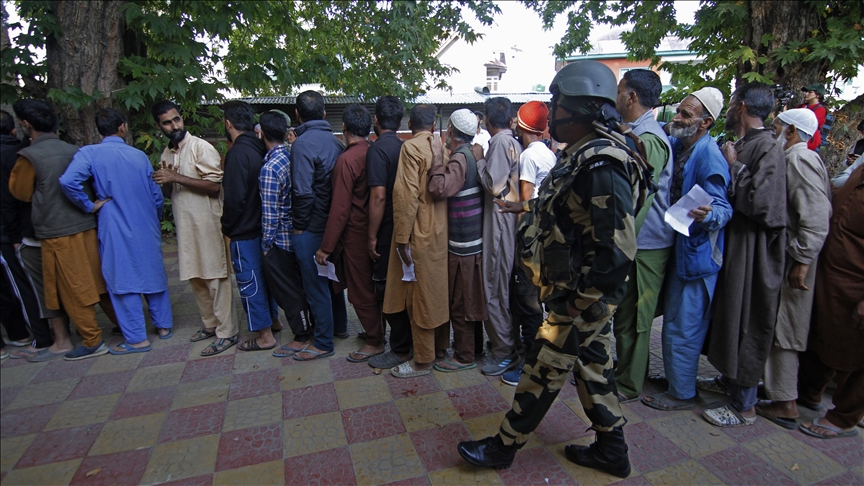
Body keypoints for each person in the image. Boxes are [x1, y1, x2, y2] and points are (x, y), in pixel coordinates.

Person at [457, 60, 648, 478]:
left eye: (558, 102)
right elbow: (562, 210)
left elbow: (616, 252)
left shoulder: (603, 165)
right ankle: (612, 451)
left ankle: (503, 447)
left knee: (543, 367)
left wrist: (578, 305)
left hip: (582, 297)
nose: (552, 111)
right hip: (578, 292)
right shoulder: (583, 156)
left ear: (580, 109)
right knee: (593, 367)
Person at [640, 87, 733, 411]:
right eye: (678, 112)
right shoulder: (681, 144)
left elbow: (723, 207)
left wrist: (710, 215)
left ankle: (682, 394)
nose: (677, 118)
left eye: (685, 115)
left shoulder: (709, 155)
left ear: (706, 122)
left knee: (684, 327)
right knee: (672, 322)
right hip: (677, 248)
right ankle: (675, 381)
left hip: (696, 258)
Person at [701, 82, 788, 427]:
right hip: (736, 248)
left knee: (748, 319)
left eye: (733, 102)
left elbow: (765, 204)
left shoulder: (768, 147)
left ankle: (745, 406)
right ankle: (729, 381)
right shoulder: (744, 143)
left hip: (755, 256)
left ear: (740, 107)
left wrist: (735, 167)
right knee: (730, 317)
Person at [9, 99, 119, 360]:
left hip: (56, 230)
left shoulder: (29, 156)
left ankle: (92, 340)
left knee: (72, 287)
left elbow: (20, 192)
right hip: (87, 224)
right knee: (99, 281)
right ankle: (125, 325)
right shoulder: (74, 149)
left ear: (26, 124)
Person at [59, 107, 172, 354]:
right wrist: (153, 217)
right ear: (123, 127)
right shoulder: (138, 155)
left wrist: (90, 205)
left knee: (123, 278)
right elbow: (156, 195)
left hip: (114, 222)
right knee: (151, 269)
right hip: (145, 221)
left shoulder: (89, 153)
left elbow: (68, 181)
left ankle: (137, 338)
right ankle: (163, 326)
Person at [752, 108, 831, 428]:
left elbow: (815, 216)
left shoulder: (799, 159)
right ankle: (778, 391)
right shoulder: (800, 157)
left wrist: (801, 261)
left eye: (777, 129)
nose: (773, 136)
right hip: (795, 255)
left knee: (785, 327)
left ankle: (785, 403)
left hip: (798, 259)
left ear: (793, 133)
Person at [151, 100, 238, 356]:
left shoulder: (201, 147)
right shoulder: (167, 153)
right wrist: (167, 180)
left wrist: (175, 177)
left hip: (207, 223)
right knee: (196, 277)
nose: (174, 125)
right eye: (167, 122)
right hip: (186, 225)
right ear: (159, 126)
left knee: (215, 277)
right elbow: (170, 190)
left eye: (176, 119)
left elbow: (214, 186)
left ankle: (228, 332)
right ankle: (210, 326)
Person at [609, 69, 675, 401]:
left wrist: (621, 244)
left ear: (631, 97)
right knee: (626, 314)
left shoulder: (649, 139)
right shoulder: (638, 133)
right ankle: (626, 372)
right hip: (640, 242)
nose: (616, 97)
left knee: (636, 317)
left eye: (619, 91)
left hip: (645, 244)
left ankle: (629, 384)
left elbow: (640, 201)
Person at [796, 162, 863, 439]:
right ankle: (808, 394)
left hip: (857, 285)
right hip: (831, 277)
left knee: (858, 356)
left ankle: (844, 418)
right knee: (820, 338)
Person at [382, 104, 448, 378]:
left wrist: (401, 238)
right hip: (440, 231)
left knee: (418, 298)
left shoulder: (410, 148)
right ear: (433, 125)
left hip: (417, 232)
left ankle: (422, 359)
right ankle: (441, 349)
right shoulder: (441, 148)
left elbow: (406, 196)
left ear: (410, 123)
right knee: (435, 293)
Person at [315, 104, 386, 363]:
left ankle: (375, 340)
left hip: (355, 233)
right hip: (374, 230)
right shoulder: (372, 151)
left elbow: (340, 209)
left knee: (360, 288)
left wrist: (326, 247)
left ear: (344, 128)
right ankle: (375, 331)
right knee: (370, 286)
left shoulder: (346, 160)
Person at [426, 108, 487, 372]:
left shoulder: (459, 158)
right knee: (470, 299)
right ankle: (475, 348)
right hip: (472, 243)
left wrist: (438, 159)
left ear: (450, 131)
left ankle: (464, 356)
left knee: (461, 303)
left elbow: (439, 188)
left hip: (464, 247)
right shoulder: (470, 155)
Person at [290, 90, 348, 361]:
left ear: (297, 114)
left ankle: (323, 342)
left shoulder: (302, 144)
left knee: (315, 285)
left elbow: (302, 193)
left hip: (312, 226)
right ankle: (339, 327)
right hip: (334, 224)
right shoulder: (336, 142)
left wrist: (299, 227)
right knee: (330, 277)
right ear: (324, 114)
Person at [501, 100, 556, 386]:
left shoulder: (528, 158)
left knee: (527, 305)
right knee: (537, 303)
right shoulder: (548, 154)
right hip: (548, 240)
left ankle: (529, 367)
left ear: (520, 125)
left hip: (530, 242)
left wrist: (511, 206)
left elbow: (527, 204)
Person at [220, 100, 280, 352]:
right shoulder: (259, 148)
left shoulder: (237, 153)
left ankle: (265, 336)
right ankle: (273, 320)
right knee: (265, 280)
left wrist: (226, 225)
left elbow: (234, 199)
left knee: (249, 282)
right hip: (264, 231)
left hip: (244, 233)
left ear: (228, 124)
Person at [258, 111, 312, 359]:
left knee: (288, 292)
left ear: (262, 134)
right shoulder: (293, 157)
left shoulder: (269, 168)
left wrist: (266, 245)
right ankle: (309, 329)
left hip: (280, 240)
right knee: (300, 288)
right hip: (300, 234)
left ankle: (301, 336)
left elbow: (270, 214)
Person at [366, 96, 414, 370]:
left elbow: (378, 197)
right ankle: (404, 342)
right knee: (404, 287)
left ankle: (399, 348)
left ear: (376, 120)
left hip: (386, 230)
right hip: (407, 229)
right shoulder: (404, 147)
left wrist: (371, 236)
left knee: (386, 288)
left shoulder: (377, 151)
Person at [477, 96, 523, 376]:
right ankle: (505, 344)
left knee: (494, 287)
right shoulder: (513, 141)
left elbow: (493, 186)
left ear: (487, 120)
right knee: (500, 287)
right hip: (506, 222)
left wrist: (480, 160)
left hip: (499, 224)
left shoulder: (499, 143)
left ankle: (504, 353)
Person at [0, 110, 44, 355]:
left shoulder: (21, 154)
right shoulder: (20, 153)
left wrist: (14, 236)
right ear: (14, 129)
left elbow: (9, 202)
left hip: (12, 234)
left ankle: (36, 336)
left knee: (23, 287)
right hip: (30, 227)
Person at [797, 83, 827, 151]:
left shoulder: (820, 110)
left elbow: (807, 124)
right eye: (806, 92)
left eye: (810, 92)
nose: (806, 94)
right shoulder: (802, 106)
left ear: (818, 95)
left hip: (809, 142)